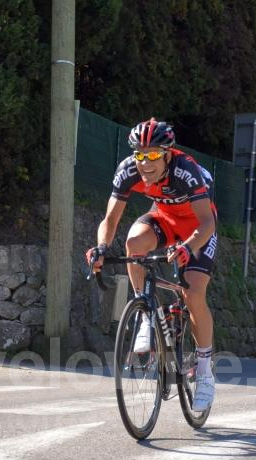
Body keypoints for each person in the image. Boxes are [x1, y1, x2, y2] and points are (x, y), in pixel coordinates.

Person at [86, 118, 219, 412]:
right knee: (134, 245)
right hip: (164, 219)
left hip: (198, 228)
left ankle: (205, 372)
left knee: (193, 293)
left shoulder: (185, 170)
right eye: (140, 155)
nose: (145, 163)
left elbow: (207, 222)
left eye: (153, 155)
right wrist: (101, 248)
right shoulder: (128, 170)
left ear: (167, 154)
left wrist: (188, 247)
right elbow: (110, 220)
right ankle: (145, 313)